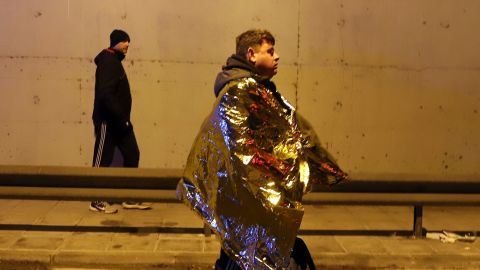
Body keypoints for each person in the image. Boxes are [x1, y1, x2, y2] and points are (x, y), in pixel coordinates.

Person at [177, 29, 347, 269]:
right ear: (251, 54)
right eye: (270, 51)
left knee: (241, 252)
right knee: (256, 254)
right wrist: (285, 171)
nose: (276, 56)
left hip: (242, 195)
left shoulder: (249, 87)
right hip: (249, 194)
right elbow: (242, 148)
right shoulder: (241, 90)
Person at [90, 29, 151, 213]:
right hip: (108, 121)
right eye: (125, 41)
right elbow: (105, 94)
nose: (128, 45)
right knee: (102, 161)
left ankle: (129, 197)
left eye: (128, 42)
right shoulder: (108, 62)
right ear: (115, 42)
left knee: (133, 154)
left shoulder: (114, 61)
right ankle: (96, 201)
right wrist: (120, 116)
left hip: (120, 122)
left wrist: (124, 120)